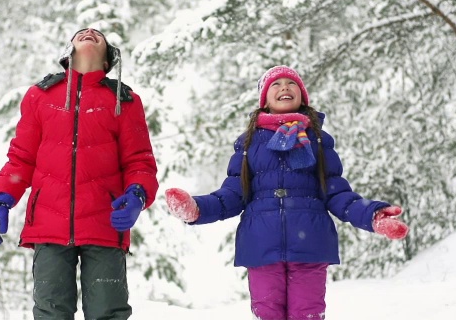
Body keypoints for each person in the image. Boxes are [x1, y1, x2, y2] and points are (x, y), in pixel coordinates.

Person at [165, 65, 409, 320]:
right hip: (261, 243)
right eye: (276, 84)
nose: (284, 87)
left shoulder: (317, 140)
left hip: (310, 243)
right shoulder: (248, 143)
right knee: (268, 314)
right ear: (264, 101)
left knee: (307, 314)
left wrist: (372, 215)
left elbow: (336, 193)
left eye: (291, 83)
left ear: (302, 95)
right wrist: (197, 209)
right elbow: (233, 194)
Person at [0, 27, 159, 320]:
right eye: (82, 33)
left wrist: (137, 194)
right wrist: (2, 200)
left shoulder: (124, 101)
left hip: (105, 222)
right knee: (51, 311)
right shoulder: (40, 96)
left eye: (98, 35)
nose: (90, 33)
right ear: (67, 53)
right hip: (48, 222)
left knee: (108, 312)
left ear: (108, 59)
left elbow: (139, 161)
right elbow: (21, 157)